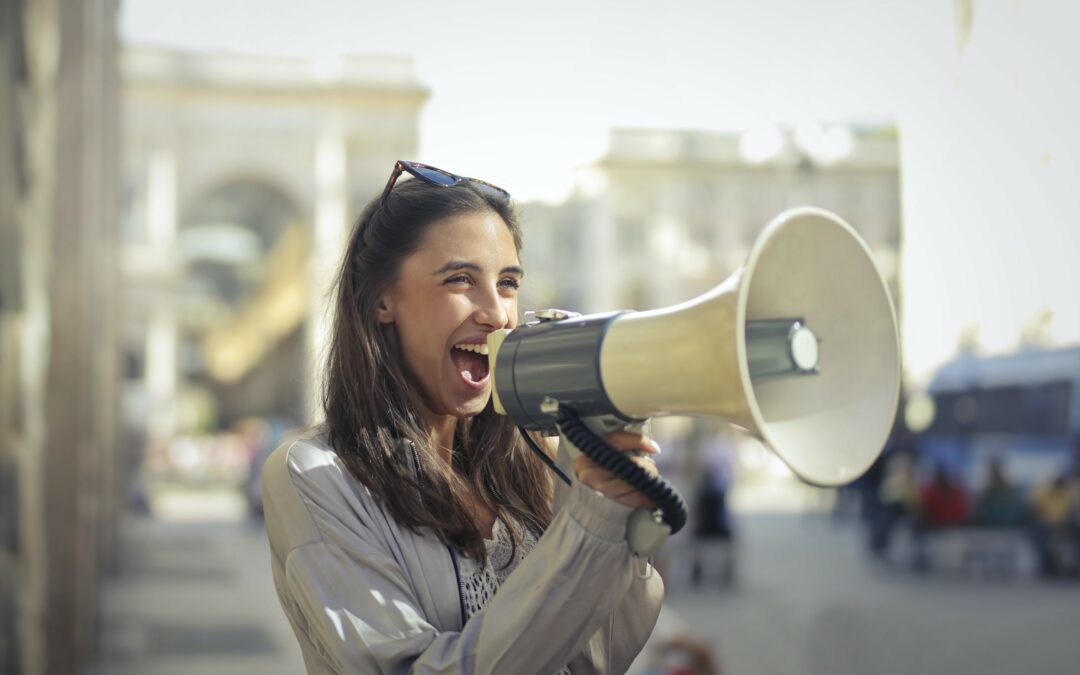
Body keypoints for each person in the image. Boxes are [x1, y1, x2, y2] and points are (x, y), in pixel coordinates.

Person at [261, 161, 665, 674]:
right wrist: (586, 531)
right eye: (460, 279)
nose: (497, 313)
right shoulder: (315, 474)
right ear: (383, 300)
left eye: (509, 284)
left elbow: (594, 660)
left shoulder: (537, 464)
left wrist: (614, 518)